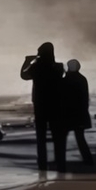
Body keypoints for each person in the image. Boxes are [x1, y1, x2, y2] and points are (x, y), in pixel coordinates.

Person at [20, 42, 65, 172]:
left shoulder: (36, 67)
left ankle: (42, 164)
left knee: (41, 137)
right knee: (57, 136)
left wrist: (27, 61)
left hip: (40, 104)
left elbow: (24, 75)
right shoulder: (58, 67)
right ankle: (60, 163)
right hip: (56, 104)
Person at [59, 60, 93, 168]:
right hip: (80, 113)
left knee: (62, 138)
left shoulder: (65, 80)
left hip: (67, 113)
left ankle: (60, 160)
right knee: (80, 137)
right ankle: (88, 159)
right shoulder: (82, 79)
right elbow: (84, 98)